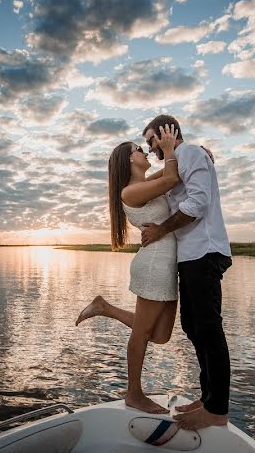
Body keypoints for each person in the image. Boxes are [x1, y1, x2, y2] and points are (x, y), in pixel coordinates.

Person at [75, 125, 182, 414]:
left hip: (167, 264)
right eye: (138, 149)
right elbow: (171, 175)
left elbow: (171, 172)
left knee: (160, 336)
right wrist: (170, 150)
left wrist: (194, 156)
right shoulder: (130, 192)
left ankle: (105, 307)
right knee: (142, 334)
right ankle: (133, 393)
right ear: (128, 160)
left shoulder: (145, 183)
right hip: (154, 266)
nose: (145, 151)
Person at [140, 114, 232, 431]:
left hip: (205, 251)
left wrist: (162, 230)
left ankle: (217, 410)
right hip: (190, 256)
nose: (150, 147)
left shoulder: (190, 153)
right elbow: (154, 183)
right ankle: (208, 400)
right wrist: (164, 158)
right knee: (193, 327)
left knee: (208, 329)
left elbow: (198, 203)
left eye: (152, 139)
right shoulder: (175, 163)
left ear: (168, 132)